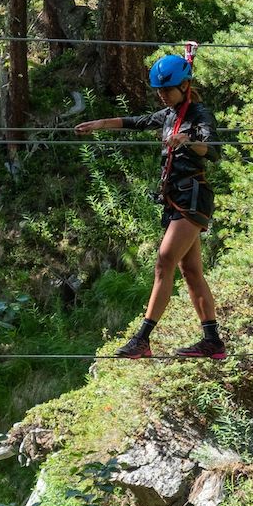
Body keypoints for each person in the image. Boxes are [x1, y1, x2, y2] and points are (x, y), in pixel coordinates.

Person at [76, 45, 225, 359]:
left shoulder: (199, 114)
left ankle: (142, 338)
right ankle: (212, 340)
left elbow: (212, 150)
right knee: (191, 271)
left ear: (184, 86)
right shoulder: (170, 114)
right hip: (175, 201)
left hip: (192, 197)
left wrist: (188, 141)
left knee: (163, 263)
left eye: (167, 90)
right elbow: (137, 121)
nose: (162, 96)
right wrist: (100, 124)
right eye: (159, 91)